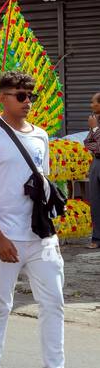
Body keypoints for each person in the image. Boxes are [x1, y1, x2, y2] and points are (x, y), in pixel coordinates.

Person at [0, 71, 87, 368]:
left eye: (30, 95)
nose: (27, 102)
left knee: (53, 304)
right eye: (20, 96)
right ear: (2, 97)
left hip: (40, 236)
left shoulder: (41, 136)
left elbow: (40, 184)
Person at [84, 92, 100, 250]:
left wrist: (95, 128)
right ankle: (97, 237)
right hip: (96, 163)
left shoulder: (95, 123)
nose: (91, 105)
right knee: (95, 202)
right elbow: (87, 142)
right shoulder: (95, 120)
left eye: (93, 102)